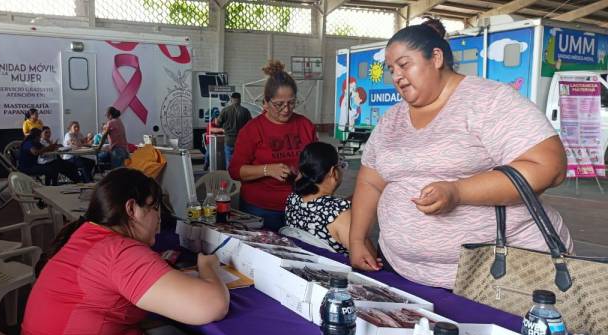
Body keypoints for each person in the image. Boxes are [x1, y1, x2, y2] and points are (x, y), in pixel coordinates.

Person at [349, 17, 572, 289]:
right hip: (405, 272)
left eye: (404, 65)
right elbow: (370, 180)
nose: (396, 76)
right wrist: (357, 239)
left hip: (500, 278)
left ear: (436, 58)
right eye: (391, 69)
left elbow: (550, 166)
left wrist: (458, 192)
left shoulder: (488, 101)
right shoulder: (391, 120)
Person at [10, 168, 240, 335]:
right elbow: (213, 305)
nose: (159, 220)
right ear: (132, 209)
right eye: (155, 210)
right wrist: (207, 266)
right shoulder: (117, 252)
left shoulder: (84, 234)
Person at [228, 60, 318, 231]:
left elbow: (316, 162)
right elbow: (235, 170)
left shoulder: (305, 125)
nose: (286, 109)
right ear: (266, 102)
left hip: (299, 205)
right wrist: (268, 169)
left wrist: (304, 173)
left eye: (291, 103)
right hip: (260, 209)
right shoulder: (252, 129)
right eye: (279, 104)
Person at [285, 142, 351, 254]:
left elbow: (325, 207)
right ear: (333, 171)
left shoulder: (293, 198)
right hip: (335, 268)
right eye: (341, 166)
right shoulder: (339, 212)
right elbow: (364, 256)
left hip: (305, 263)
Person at [217, 92, 252, 168]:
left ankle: (229, 177)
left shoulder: (225, 110)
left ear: (231, 99)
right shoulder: (245, 111)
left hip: (229, 140)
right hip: (241, 140)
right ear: (239, 100)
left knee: (229, 161)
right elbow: (250, 126)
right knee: (240, 161)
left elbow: (218, 123)